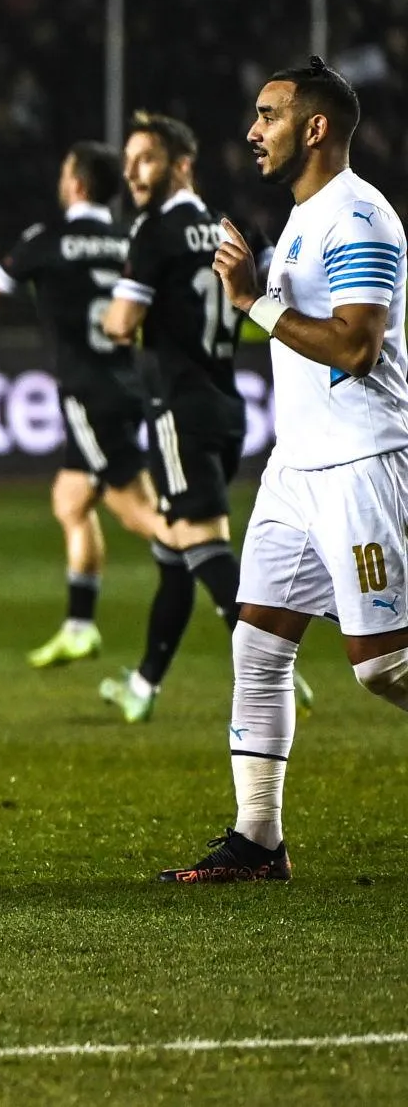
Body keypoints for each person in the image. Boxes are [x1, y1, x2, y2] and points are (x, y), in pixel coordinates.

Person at [163, 59, 408, 883]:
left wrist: (251, 302)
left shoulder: (359, 217)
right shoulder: (304, 216)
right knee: (258, 646)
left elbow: (357, 347)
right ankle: (258, 840)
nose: (252, 131)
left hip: (362, 463)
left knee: (384, 666)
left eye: (268, 115)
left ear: (315, 126)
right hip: (296, 469)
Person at [99, 112, 312, 721]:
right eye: (128, 161)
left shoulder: (153, 233)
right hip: (226, 403)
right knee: (174, 554)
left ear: (182, 165)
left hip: (178, 405)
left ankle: (273, 662)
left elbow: (121, 324)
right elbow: (281, 285)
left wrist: (111, 316)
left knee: (200, 541)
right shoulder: (230, 226)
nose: (132, 172)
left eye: (146, 159)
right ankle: (144, 686)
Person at [0, 143, 167, 667]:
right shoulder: (129, 239)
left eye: (65, 174)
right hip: (127, 381)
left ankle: (241, 600)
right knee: (71, 501)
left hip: (88, 393)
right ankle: (80, 627)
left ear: (76, 184)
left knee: (141, 515)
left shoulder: (48, 239)